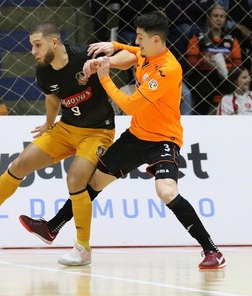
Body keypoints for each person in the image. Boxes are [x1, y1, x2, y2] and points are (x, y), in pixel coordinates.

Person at [20, 12, 226, 269]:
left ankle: (212, 250)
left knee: (166, 191)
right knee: (92, 181)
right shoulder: (148, 52)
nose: (136, 42)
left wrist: (103, 74)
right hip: (136, 136)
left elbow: (129, 105)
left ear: (156, 40)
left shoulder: (168, 69)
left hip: (163, 140)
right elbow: (132, 53)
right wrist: (113, 47)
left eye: (140, 38)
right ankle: (52, 227)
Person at [0, 23, 116, 244]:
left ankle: (83, 248)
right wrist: (49, 124)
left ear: (55, 42)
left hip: (98, 132)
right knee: (19, 165)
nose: (33, 52)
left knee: (75, 180)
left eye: (38, 45)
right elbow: (52, 98)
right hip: (67, 128)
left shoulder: (84, 55)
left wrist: (111, 56)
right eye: (32, 46)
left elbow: (127, 59)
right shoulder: (43, 73)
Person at [186, 3, 243, 115]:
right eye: (215, 16)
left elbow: (238, 62)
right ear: (209, 18)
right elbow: (189, 61)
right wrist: (203, 61)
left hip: (226, 76)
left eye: (222, 16)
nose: (219, 19)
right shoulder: (198, 37)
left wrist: (227, 71)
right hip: (203, 74)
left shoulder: (231, 39)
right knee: (206, 86)